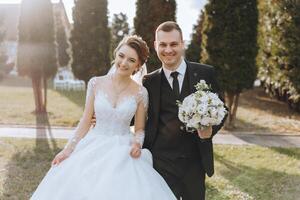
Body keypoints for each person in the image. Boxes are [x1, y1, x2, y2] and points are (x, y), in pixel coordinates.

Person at [30, 35, 177, 200]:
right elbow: (86, 121)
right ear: (115, 54)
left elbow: (140, 128)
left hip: (123, 149)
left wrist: (137, 143)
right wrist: (68, 149)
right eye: (121, 56)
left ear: (138, 65)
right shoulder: (95, 83)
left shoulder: (141, 93)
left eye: (131, 60)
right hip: (94, 143)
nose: (123, 63)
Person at [142, 21, 226, 200]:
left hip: (194, 162)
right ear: (156, 46)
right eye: (163, 44)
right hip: (160, 162)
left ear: (182, 44)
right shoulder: (149, 81)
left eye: (173, 44)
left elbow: (222, 108)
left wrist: (209, 131)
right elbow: (139, 114)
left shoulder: (205, 73)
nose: (168, 50)